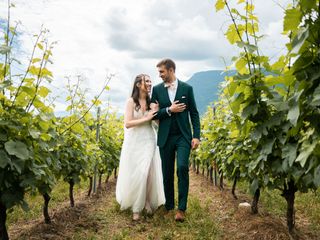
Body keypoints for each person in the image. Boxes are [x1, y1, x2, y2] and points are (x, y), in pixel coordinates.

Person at [151, 59, 200, 222]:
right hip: (165, 136)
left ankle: (182, 208)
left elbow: (194, 113)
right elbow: (154, 114)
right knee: (167, 172)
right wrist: (169, 110)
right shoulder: (157, 90)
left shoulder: (187, 88)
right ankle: (170, 205)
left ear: (171, 70)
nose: (160, 75)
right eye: (159, 72)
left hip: (183, 136)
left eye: (162, 72)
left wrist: (196, 136)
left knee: (182, 167)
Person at [116, 74, 165, 221]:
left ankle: (146, 202)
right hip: (134, 140)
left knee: (147, 172)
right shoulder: (131, 101)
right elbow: (128, 123)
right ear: (138, 84)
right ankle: (137, 206)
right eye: (147, 81)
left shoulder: (152, 103)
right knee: (137, 172)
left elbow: (157, 123)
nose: (150, 84)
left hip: (149, 139)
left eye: (150, 81)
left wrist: (157, 112)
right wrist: (147, 117)